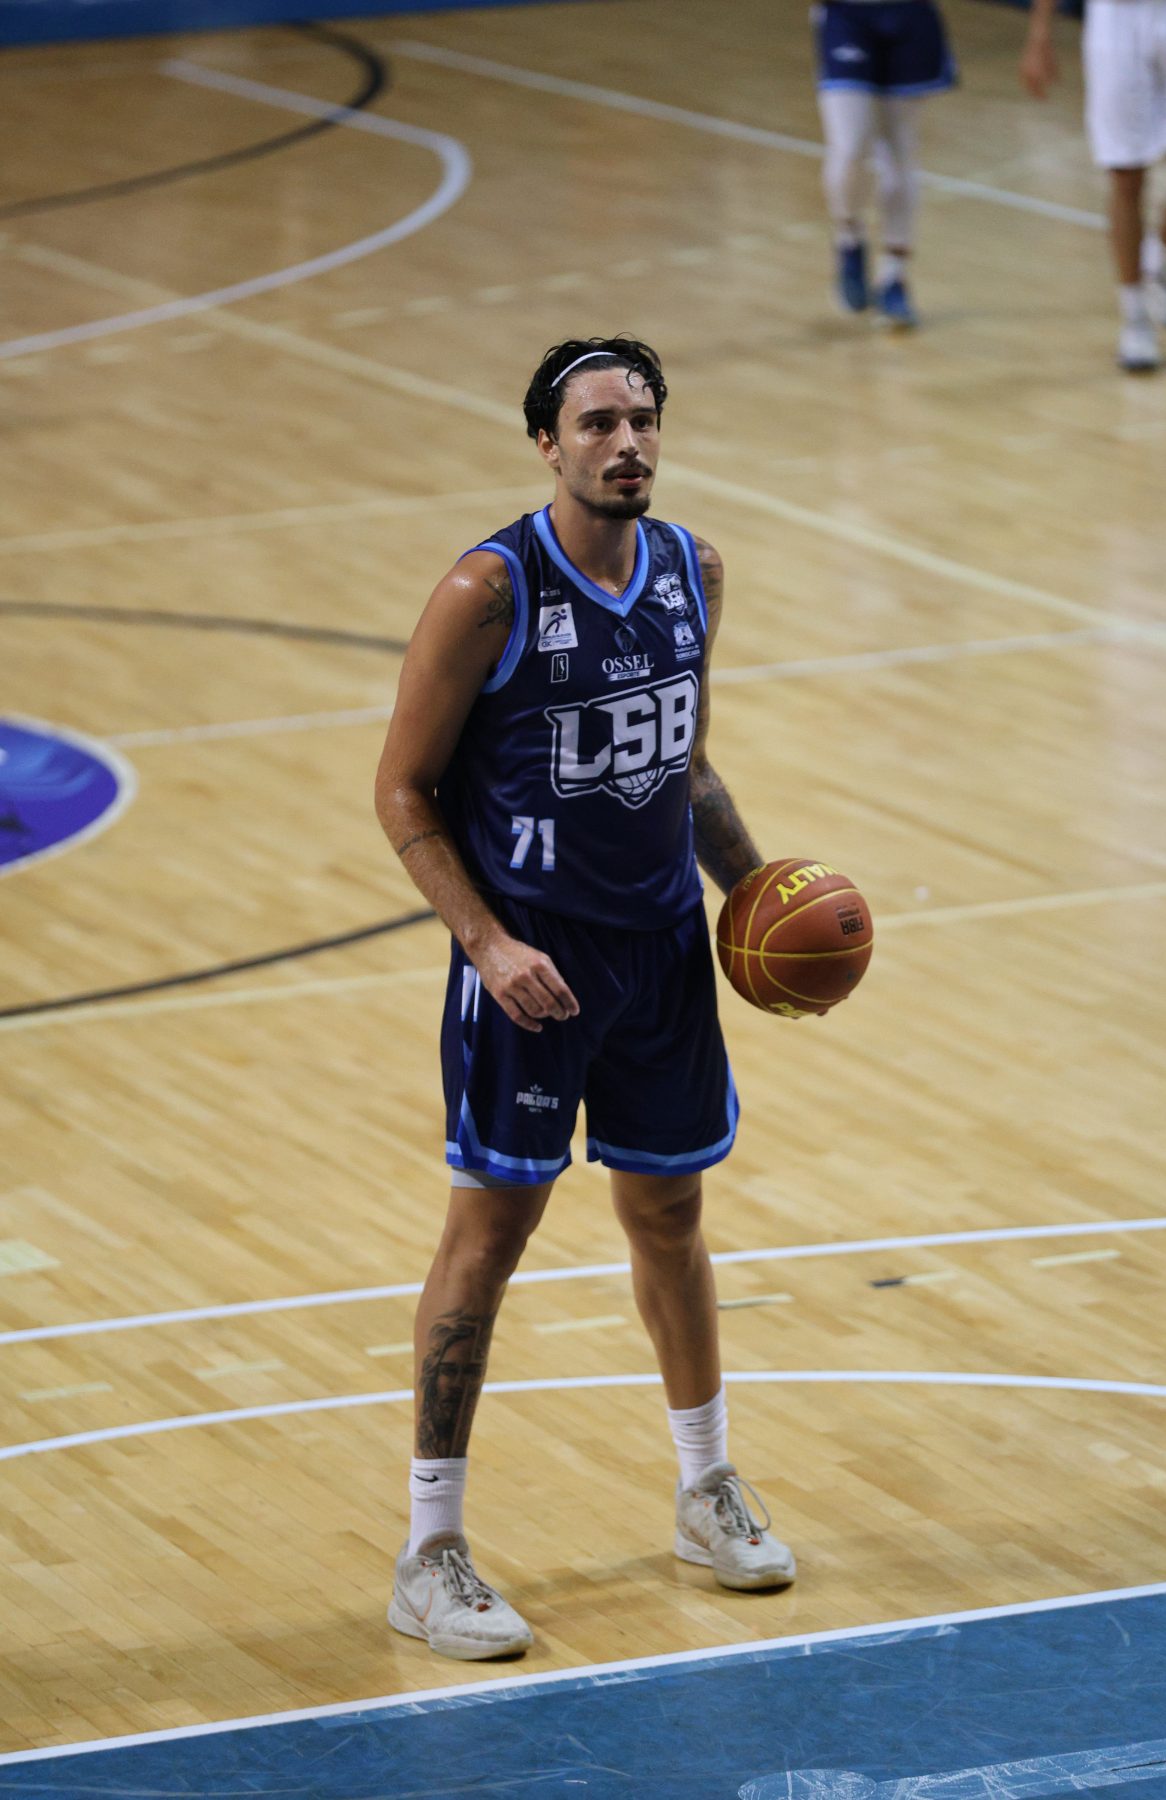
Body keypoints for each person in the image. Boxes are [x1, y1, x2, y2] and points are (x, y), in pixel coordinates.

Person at [374, 335, 796, 1662]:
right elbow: (401, 789)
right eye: (599, 423)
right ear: (546, 444)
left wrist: (758, 896)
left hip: (661, 949)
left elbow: (688, 766)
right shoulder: (488, 590)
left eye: (643, 420)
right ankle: (429, 1551)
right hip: (534, 963)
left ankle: (706, 1487)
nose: (628, 443)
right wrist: (488, 944)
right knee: (489, 1235)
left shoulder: (691, 571)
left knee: (670, 1214)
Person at [1020, 0, 1166, 372]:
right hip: (1118, 23)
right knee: (1127, 176)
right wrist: (1040, 34)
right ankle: (1135, 319)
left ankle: (1154, 262)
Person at [812, 0, 957, 327]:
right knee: (850, 147)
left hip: (910, 14)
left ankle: (894, 277)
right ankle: (849, 237)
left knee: (901, 153)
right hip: (846, 14)